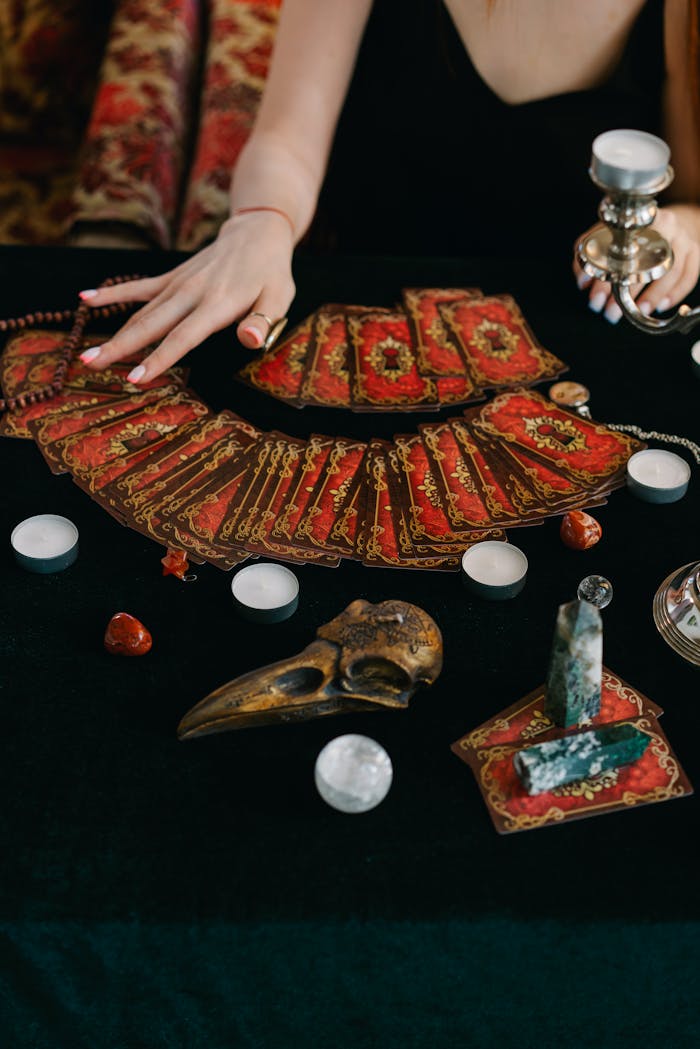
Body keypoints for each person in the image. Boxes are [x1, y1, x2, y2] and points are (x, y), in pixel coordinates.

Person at [78, 0, 700, 384]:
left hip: (576, 333)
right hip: (365, 316)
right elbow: (288, 138)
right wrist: (262, 220)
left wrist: (685, 226)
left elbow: (693, 195)